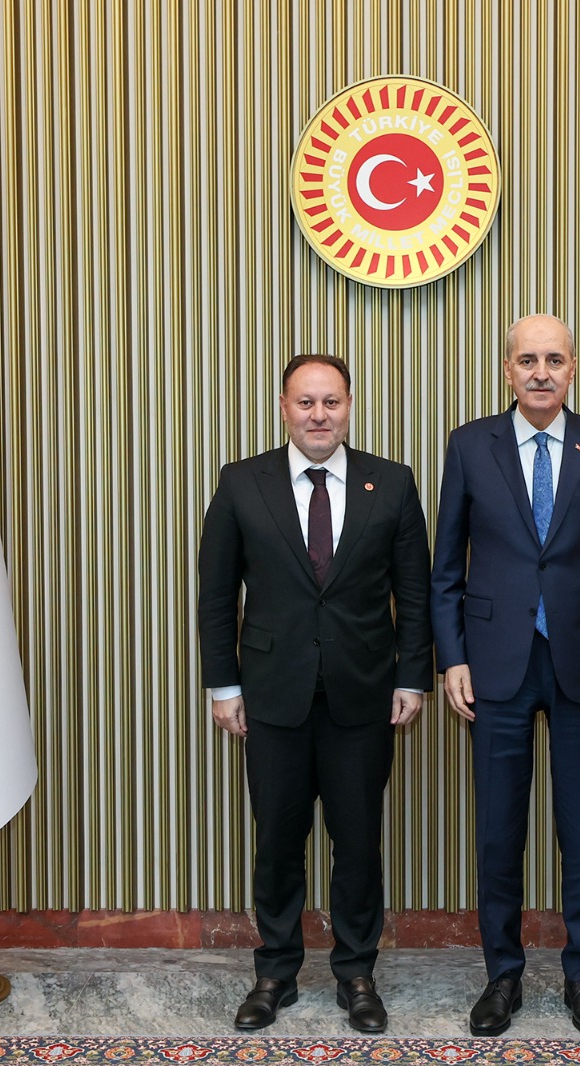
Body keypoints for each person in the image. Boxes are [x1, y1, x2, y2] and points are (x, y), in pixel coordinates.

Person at [430, 314, 580, 1038]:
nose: (540, 372)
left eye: (554, 360)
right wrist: (452, 657)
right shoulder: (470, 445)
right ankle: (502, 975)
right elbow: (444, 569)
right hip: (495, 663)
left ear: (573, 368)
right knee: (499, 831)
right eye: (527, 359)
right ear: (507, 370)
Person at [198, 353, 432, 1034]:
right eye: (306, 402)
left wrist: (412, 675)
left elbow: (415, 592)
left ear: (349, 405)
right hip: (272, 697)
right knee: (277, 842)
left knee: (358, 843)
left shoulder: (392, 482)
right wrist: (223, 684)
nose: (319, 415)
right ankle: (275, 972)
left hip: (364, 695)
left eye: (331, 401)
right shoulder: (241, 482)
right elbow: (216, 595)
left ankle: (356, 973)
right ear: (283, 407)